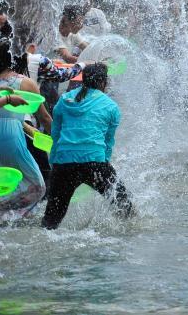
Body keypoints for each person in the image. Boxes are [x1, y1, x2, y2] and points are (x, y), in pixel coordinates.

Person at [42, 63, 134, 229]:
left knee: (50, 221)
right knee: (124, 205)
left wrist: (55, 163)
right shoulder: (111, 106)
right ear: (103, 82)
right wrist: (103, 163)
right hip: (95, 164)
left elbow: (55, 135)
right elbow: (108, 142)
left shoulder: (64, 100)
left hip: (64, 163)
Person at [0, 40, 47, 220]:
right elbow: (44, 117)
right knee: (38, 186)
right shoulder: (25, 83)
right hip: (11, 138)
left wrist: (26, 127)